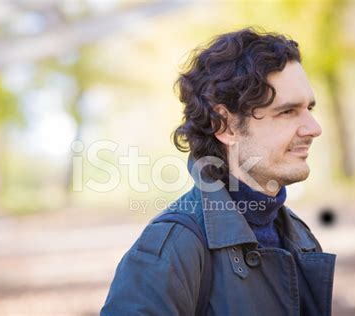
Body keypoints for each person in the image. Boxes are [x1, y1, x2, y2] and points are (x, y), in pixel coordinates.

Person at [101, 27, 336, 316]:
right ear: (224, 126)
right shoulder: (174, 247)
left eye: (309, 108)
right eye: (287, 111)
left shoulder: (299, 236)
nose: (314, 128)